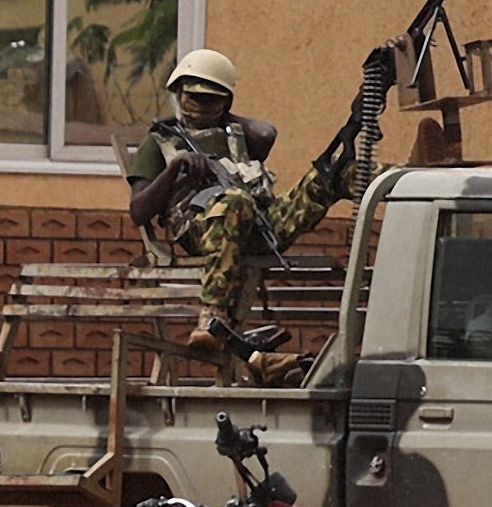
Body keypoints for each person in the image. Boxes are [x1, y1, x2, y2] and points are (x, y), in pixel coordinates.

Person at [122, 48, 361, 351]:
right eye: (194, 97)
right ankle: (211, 316)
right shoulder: (159, 142)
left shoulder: (237, 135)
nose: (201, 106)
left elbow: (266, 132)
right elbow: (137, 211)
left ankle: (409, 179)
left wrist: (222, 118)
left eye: (213, 99)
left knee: (334, 172)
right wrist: (175, 169)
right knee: (235, 201)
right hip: (204, 231)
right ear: (179, 94)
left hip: (262, 226)